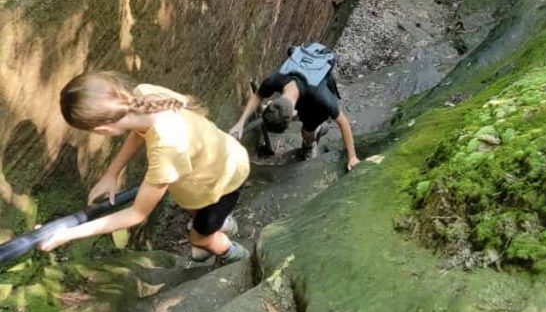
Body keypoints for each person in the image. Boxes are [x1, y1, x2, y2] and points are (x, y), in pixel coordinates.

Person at [36, 72, 249, 264]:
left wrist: (67, 234)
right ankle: (221, 221)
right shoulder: (144, 95)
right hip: (218, 161)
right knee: (196, 208)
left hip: (223, 182)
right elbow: (140, 131)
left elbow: (137, 214)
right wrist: (112, 173)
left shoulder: (167, 146)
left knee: (199, 238)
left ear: (103, 129)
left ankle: (237, 256)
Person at [230, 47, 359, 170]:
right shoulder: (275, 80)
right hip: (303, 81)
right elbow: (258, 96)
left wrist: (352, 157)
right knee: (303, 121)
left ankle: (311, 141)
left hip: (315, 104)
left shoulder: (321, 97)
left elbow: (343, 122)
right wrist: (240, 123)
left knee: (307, 132)